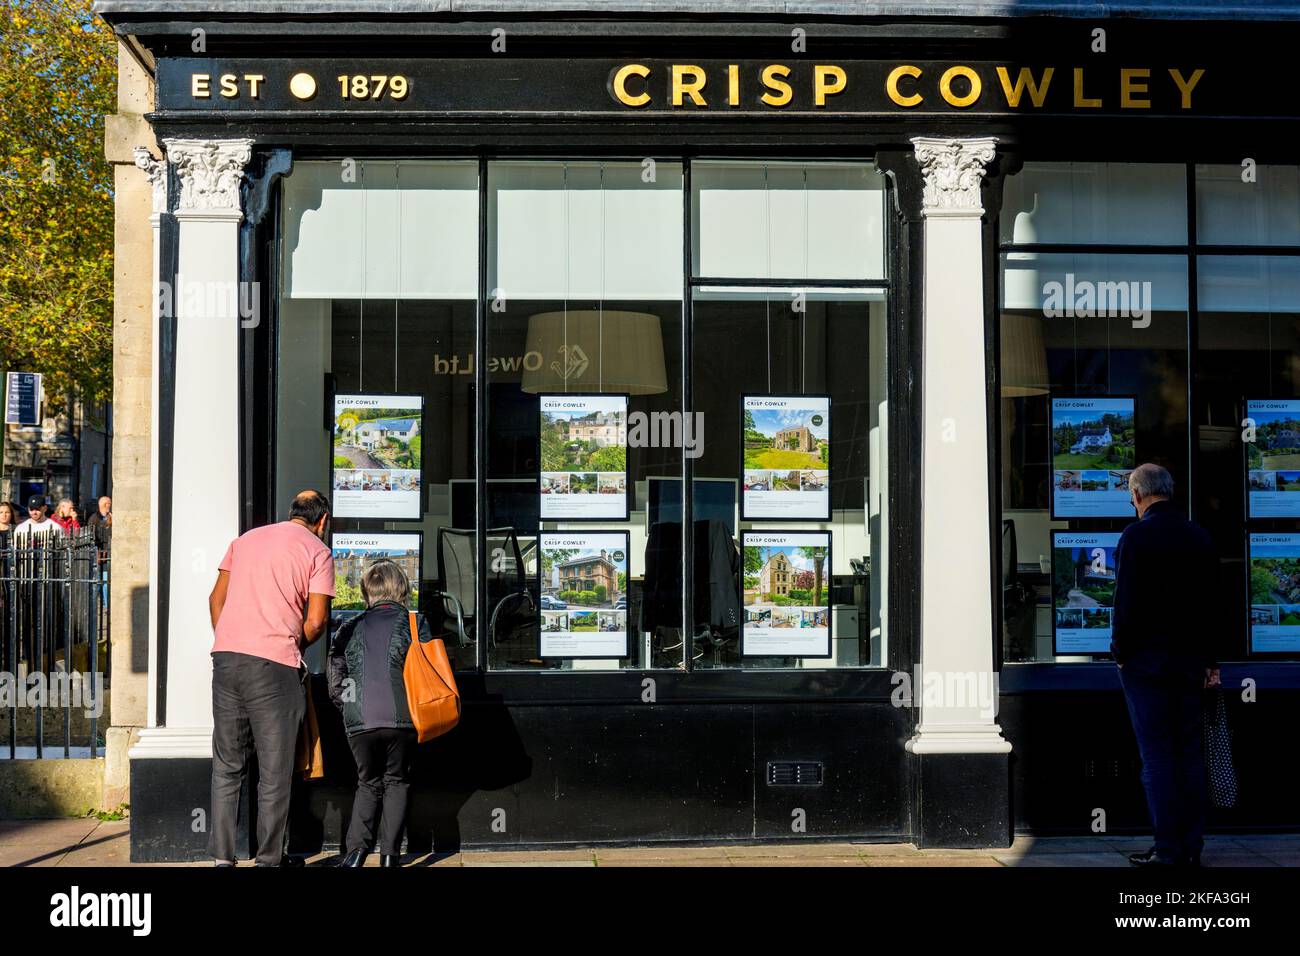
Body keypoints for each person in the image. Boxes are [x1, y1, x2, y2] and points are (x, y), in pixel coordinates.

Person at [207, 490, 335, 867]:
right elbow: (316, 621)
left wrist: (230, 638)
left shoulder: (245, 540)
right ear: (322, 522)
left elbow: (216, 599)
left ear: (291, 513)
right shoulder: (317, 551)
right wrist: (287, 643)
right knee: (275, 771)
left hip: (226, 659)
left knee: (227, 765)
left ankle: (222, 860)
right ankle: (267, 860)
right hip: (274, 665)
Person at [1111, 463, 1220, 868]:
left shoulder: (1136, 536)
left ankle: (1168, 849)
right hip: (1190, 664)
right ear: (1169, 491)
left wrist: (1120, 653)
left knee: (1156, 757)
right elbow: (1212, 607)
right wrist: (1211, 663)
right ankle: (1191, 847)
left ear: (1138, 495)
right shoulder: (1199, 536)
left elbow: (1126, 602)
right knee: (1190, 755)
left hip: (1146, 665)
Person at [327, 559, 432, 868]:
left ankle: (356, 854)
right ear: (401, 589)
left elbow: (336, 681)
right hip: (403, 718)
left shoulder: (349, 627)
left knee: (367, 782)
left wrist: (349, 707)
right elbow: (430, 670)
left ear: (367, 592)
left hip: (359, 720)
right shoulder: (416, 624)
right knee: (397, 781)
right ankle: (389, 856)